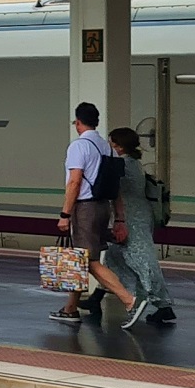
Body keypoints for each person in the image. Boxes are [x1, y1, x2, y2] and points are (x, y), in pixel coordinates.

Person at [53, 102, 136, 323]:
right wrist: (119, 218)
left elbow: (74, 182)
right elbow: (116, 188)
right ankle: (70, 309)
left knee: (88, 261)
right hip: (103, 207)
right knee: (81, 258)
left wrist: (65, 214)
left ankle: (129, 300)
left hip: (85, 209)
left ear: (78, 122)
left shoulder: (79, 146)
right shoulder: (108, 148)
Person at [106, 128, 175, 327]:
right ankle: (144, 299)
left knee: (141, 261)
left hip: (130, 219)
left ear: (119, 146)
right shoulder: (135, 163)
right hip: (138, 216)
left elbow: (114, 189)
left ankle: (159, 302)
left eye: (111, 143)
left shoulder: (123, 165)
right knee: (117, 258)